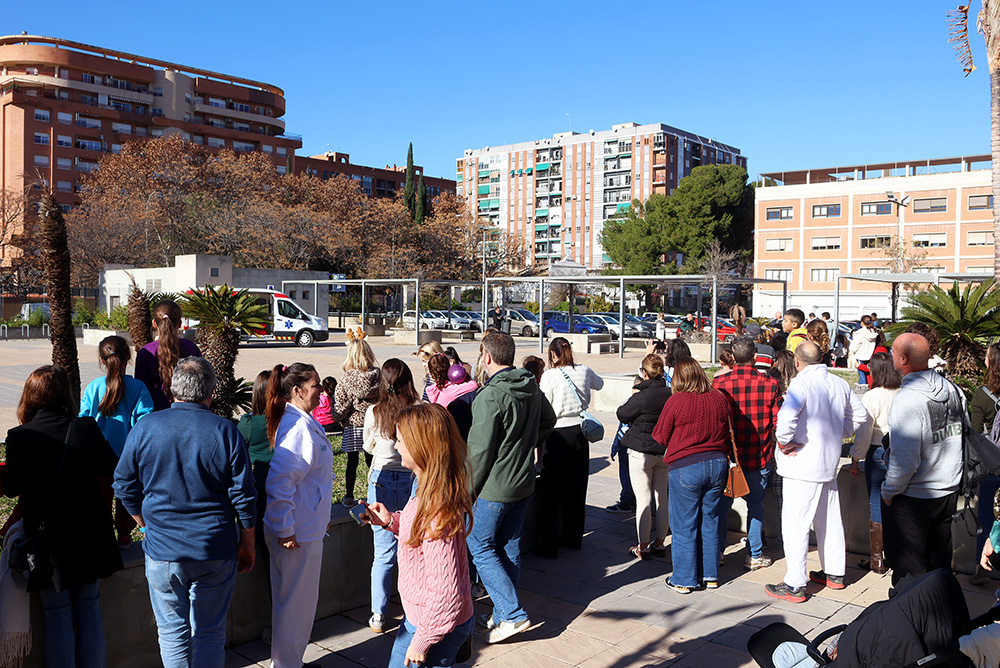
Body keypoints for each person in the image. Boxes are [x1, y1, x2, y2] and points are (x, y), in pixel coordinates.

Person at [114, 357, 256, 668]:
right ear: (212, 391)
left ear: (171, 388)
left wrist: (142, 522)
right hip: (215, 548)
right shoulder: (225, 430)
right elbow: (244, 495)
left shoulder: (145, 427)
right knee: (210, 634)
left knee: (171, 633)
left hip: (163, 549)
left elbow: (123, 483)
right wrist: (248, 541)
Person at [4, 365, 123, 668]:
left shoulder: (20, 436)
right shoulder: (85, 428)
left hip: (48, 543)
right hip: (89, 537)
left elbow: (11, 488)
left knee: (56, 617)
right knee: (90, 610)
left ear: (30, 396)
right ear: (65, 394)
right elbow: (114, 468)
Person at [362, 404, 475, 668]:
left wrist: (422, 640)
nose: (396, 446)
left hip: (433, 625)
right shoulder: (426, 487)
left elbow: (446, 591)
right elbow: (421, 534)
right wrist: (391, 521)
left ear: (421, 447)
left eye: (401, 441)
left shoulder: (437, 509)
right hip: (425, 618)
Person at [466, 331, 555, 643]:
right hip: (523, 482)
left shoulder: (489, 396)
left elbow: (479, 452)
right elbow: (549, 420)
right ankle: (502, 613)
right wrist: (526, 444)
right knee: (508, 547)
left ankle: (513, 614)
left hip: (495, 488)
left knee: (479, 545)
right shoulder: (530, 385)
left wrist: (464, 492)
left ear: (487, 357)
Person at [764, 342, 866, 603]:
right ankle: (834, 573)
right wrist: (841, 432)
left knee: (796, 525)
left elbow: (785, 420)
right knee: (829, 519)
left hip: (801, 466)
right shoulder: (839, 383)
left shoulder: (801, 384)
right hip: (827, 463)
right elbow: (860, 415)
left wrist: (784, 443)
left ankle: (795, 584)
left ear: (797, 361)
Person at [882, 332, 965, 587]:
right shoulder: (952, 389)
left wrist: (889, 491)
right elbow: (963, 434)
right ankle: (939, 609)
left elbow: (905, 459)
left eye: (893, 352)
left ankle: (911, 612)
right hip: (947, 491)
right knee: (938, 570)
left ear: (903, 359)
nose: (891, 356)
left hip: (913, 497)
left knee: (909, 578)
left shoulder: (907, 400)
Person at [263, 363, 332, 668]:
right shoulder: (298, 428)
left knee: (294, 605)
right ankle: (287, 664)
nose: (322, 390)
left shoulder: (301, 422)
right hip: (297, 535)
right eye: (316, 385)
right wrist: (286, 529)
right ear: (298, 390)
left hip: (302, 529)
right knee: (296, 607)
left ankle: (289, 662)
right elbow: (279, 482)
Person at [652, 356, 731, 593]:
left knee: (684, 525)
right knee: (710, 520)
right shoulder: (719, 397)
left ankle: (684, 579)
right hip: (717, 463)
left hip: (686, 465)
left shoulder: (677, 400)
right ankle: (710, 575)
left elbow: (660, 436)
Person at [713, 336, 783, 572]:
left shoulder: (719, 383)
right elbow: (779, 424)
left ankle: (717, 553)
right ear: (755, 357)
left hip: (728, 458)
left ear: (732, 357)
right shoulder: (770, 384)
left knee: (722, 507)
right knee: (756, 507)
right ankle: (754, 555)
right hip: (758, 456)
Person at [362, 359, 421, 634]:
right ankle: (414, 609)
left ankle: (378, 614)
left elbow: (368, 445)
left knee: (383, 552)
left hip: (381, 479)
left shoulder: (374, 411)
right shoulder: (418, 408)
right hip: (411, 478)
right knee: (413, 546)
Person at [79, 334, 155, 547]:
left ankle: (102, 539)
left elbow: (83, 419)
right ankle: (124, 536)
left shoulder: (94, 387)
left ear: (101, 360)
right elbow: (146, 421)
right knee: (128, 497)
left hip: (98, 456)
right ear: (128, 357)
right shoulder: (138, 387)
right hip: (128, 457)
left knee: (101, 497)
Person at [537, 336, 605, 558]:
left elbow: (544, 404)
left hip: (557, 434)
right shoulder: (584, 370)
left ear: (553, 354)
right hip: (580, 434)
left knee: (551, 490)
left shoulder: (550, 375)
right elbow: (600, 384)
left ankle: (548, 545)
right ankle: (573, 538)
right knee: (576, 488)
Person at [848, 352, 901, 575]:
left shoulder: (873, 396)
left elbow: (864, 432)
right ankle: (895, 555)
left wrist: (855, 458)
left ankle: (877, 559)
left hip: (878, 451)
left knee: (876, 503)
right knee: (897, 504)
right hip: (900, 452)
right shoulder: (902, 393)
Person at [616, 353, 671, 559]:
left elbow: (622, 414)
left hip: (641, 451)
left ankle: (643, 546)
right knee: (662, 498)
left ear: (645, 373)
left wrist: (634, 395)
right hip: (663, 450)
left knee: (644, 500)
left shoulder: (641, 396)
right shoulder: (670, 393)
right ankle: (660, 543)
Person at [237, 370, 274, 623]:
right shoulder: (285, 421)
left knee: (266, 554)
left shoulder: (249, 424)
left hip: (259, 493)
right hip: (284, 492)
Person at [335, 337, 381, 507]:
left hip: (353, 425)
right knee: (372, 461)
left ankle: (349, 495)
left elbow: (340, 406)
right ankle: (375, 494)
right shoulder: (378, 376)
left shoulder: (346, 378)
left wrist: (339, 416)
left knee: (352, 462)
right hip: (373, 424)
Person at [135, 300, 201, 411]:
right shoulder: (191, 348)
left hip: (155, 415)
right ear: (180, 323)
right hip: (189, 412)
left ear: (154, 323)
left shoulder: (146, 352)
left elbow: (141, 390)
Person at [971, 343, 1000, 584]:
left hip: (992, 462)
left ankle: (982, 568)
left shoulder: (982, 394)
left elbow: (974, 431)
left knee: (986, 514)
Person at [849, 315, 879, 385]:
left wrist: (851, 351)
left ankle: (863, 387)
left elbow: (855, 346)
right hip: (870, 356)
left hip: (860, 355)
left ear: (862, 323)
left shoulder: (860, 333)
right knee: (868, 374)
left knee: (862, 375)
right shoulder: (874, 333)